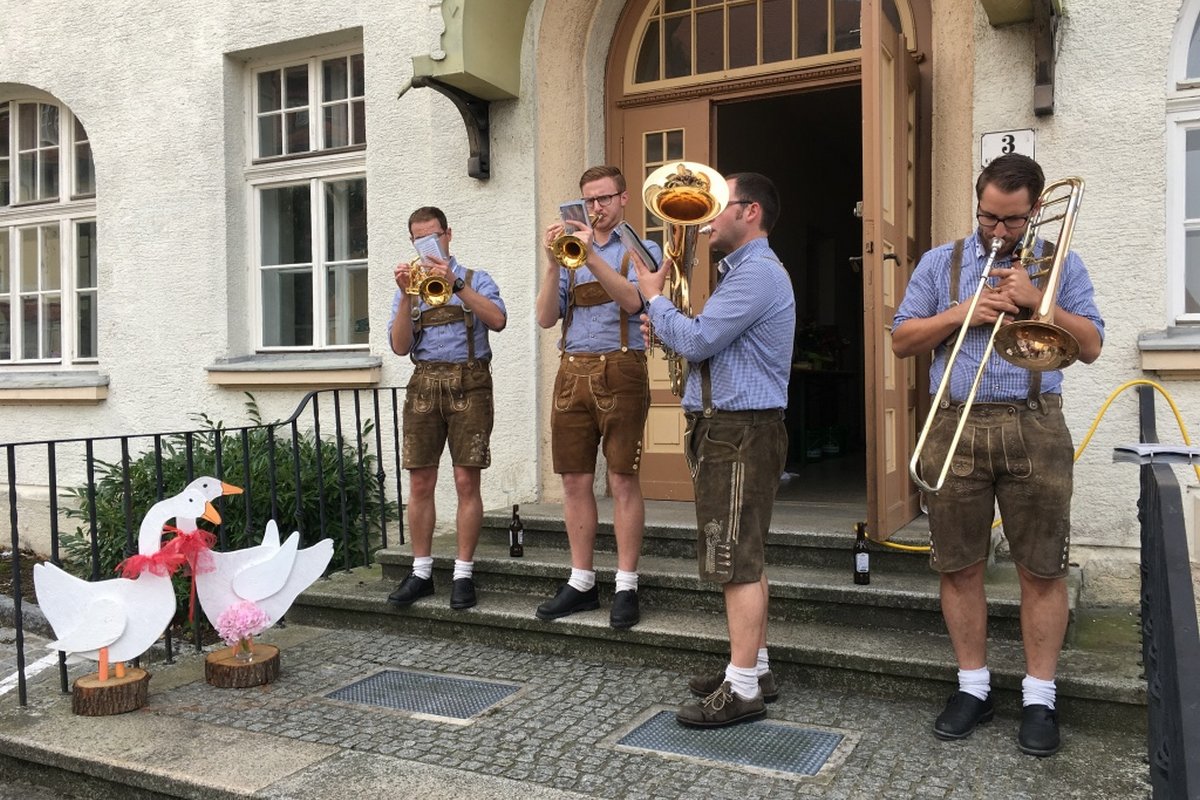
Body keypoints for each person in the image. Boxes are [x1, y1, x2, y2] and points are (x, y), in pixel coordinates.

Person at [891, 153, 1104, 757]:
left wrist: (1040, 299)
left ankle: (1040, 696)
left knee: (1042, 567)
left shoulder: (1059, 262)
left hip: (1034, 424)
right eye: (989, 217)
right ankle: (973, 687)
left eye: (1011, 221)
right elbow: (903, 338)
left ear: (1035, 210)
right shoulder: (941, 262)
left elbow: (1089, 345)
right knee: (958, 564)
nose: (998, 231)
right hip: (954, 422)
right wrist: (966, 313)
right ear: (977, 201)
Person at [632, 172, 794, 727]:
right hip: (732, 427)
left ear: (749, 212)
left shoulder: (758, 274)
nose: (706, 218)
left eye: (719, 206)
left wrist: (655, 301)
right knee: (743, 553)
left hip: (739, 431)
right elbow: (706, 342)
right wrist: (671, 320)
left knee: (733, 561)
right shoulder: (743, 273)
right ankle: (755, 668)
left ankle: (743, 691)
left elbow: (700, 339)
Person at [533, 165, 661, 629]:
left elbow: (634, 301)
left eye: (604, 198)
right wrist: (553, 263)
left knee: (623, 479)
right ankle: (582, 580)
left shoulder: (642, 249)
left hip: (621, 366)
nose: (596, 208)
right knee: (573, 480)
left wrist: (589, 256)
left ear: (624, 199)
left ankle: (626, 583)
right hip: (572, 369)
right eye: (588, 200)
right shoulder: (570, 254)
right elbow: (546, 318)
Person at [386, 206, 507, 611]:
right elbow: (400, 346)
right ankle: (421, 571)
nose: (428, 245)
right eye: (419, 239)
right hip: (423, 383)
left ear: (448, 235)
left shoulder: (476, 279)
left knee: (464, 480)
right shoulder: (410, 286)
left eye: (433, 236)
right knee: (420, 481)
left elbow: (497, 319)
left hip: (469, 382)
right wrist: (406, 295)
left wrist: (454, 284)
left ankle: (462, 573)